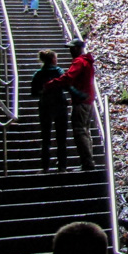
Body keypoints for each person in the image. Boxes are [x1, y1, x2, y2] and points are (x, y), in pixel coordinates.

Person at [45, 39, 96, 171]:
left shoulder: (79, 62)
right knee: (85, 130)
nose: (70, 51)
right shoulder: (87, 62)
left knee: (80, 131)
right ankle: (88, 161)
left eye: (72, 48)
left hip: (82, 101)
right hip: (87, 100)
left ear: (78, 48)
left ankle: (87, 162)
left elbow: (68, 77)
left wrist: (51, 84)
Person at [30, 49, 68, 173]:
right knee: (61, 138)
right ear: (53, 59)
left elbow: (34, 93)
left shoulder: (38, 74)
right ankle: (62, 166)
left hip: (45, 107)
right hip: (60, 106)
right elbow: (65, 84)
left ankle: (45, 166)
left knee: (45, 137)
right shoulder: (59, 71)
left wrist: (44, 92)